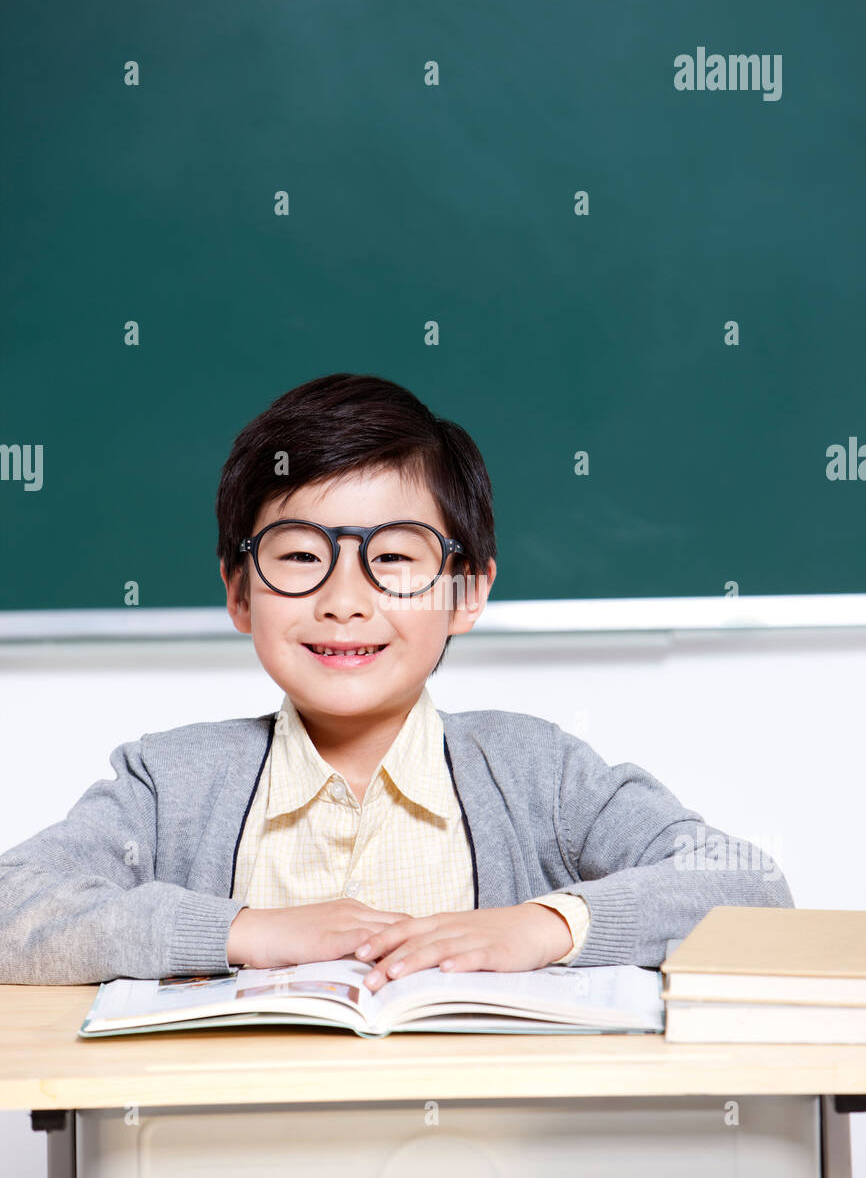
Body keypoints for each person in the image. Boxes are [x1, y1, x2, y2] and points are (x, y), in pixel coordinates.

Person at [0, 372, 793, 986]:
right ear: (240, 593)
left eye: (395, 558)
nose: (345, 601)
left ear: (468, 592)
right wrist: (243, 931)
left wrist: (543, 925)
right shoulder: (169, 786)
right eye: (302, 556)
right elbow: (13, 905)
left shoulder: (539, 775)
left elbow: (748, 887)